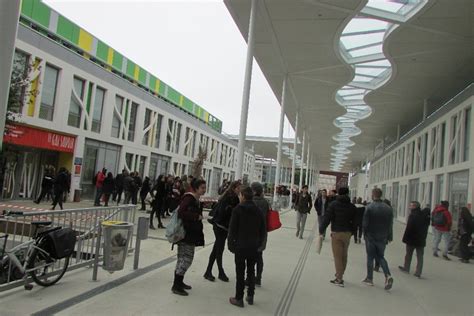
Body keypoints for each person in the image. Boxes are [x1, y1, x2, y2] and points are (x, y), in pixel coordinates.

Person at [228, 186, 266, 308]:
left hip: (240, 245)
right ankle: (250, 295)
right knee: (251, 271)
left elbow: (232, 230)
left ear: (243, 196)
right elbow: (262, 230)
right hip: (253, 246)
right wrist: (260, 244)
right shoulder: (258, 210)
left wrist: (230, 245)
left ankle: (239, 298)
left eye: (240, 195)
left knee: (240, 272)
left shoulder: (237, 209)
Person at [171, 178, 206, 296]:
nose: (204, 190)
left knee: (182, 258)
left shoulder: (194, 199)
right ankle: (176, 285)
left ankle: (179, 282)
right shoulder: (189, 198)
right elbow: (181, 212)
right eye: (202, 188)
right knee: (186, 259)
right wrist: (196, 216)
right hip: (186, 234)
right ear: (196, 188)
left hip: (188, 233)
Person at [204, 181, 241, 282]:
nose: (239, 190)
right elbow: (229, 213)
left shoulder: (229, 196)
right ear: (233, 188)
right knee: (219, 249)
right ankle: (220, 272)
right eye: (238, 188)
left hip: (220, 225)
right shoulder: (231, 198)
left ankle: (208, 271)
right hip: (221, 226)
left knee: (217, 248)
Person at [319, 187, 357, 287]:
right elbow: (356, 222)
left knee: (337, 257)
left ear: (338, 194)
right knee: (344, 255)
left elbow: (327, 218)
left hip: (336, 233)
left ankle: (339, 278)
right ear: (348, 193)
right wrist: (352, 232)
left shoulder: (333, 205)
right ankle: (341, 274)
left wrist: (321, 230)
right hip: (347, 233)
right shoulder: (352, 206)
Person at [362, 188, 394, 290]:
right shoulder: (388, 208)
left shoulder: (369, 207)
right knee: (380, 256)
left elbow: (365, 223)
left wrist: (364, 234)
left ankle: (369, 278)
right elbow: (390, 224)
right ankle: (387, 275)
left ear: (373, 195)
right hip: (383, 236)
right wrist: (389, 236)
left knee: (370, 257)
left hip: (371, 236)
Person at [399, 201, 430, 278]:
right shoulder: (425, 215)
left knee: (409, 254)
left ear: (415, 206)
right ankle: (418, 272)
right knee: (420, 256)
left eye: (411, 206)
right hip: (421, 239)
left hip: (411, 239)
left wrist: (405, 238)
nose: (410, 207)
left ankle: (406, 267)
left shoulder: (413, 215)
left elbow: (409, 228)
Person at [251, 181, 270, 287]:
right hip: (262, 232)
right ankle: (258, 278)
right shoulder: (265, 202)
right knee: (259, 256)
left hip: (251, 233)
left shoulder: (251, 202)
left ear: (254, 191)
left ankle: (250, 277)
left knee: (250, 257)